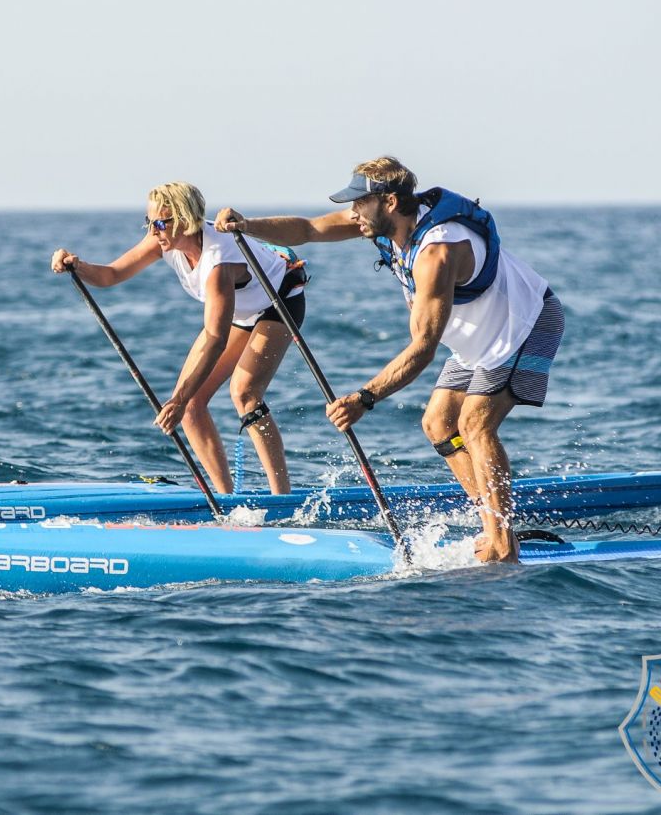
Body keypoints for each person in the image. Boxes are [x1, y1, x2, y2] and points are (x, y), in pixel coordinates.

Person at [215, 157, 563, 562]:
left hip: (524, 326)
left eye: (361, 203)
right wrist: (247, 225)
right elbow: (309, 229)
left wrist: (364, 398)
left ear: (391, 202)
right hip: (474, 338)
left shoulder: (438, 252)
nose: (354, 213)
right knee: (438, 424)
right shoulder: (382, 224)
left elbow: (423, 348)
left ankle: (503, 543)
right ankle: (493, 518)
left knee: (474, 423)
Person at [51, 181, 308, 495]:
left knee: (244, 393)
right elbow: (111, 275)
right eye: (149, 222)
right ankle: (226, 500)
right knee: (190, 409)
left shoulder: (217, 262)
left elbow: (216, 338)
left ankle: (282, 497)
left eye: (160, 222)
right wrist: (78, 266)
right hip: (242, 312)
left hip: (279, 299)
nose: (153, 230)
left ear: (186, 221)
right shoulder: (162, 243)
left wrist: (179, 397)